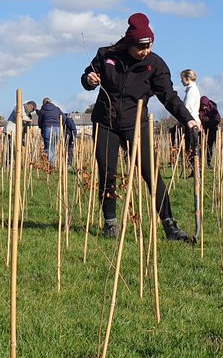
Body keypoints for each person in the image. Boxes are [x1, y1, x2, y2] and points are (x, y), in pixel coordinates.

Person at [81, 13, 200, 243]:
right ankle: (110, 224)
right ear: (129, 43)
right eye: (140, 47)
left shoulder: (154, 64)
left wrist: (188, 120)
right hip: (105, 122)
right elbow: (86, 77)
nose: (145, 51)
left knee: (150, 173)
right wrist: (89, 79)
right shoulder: (106, 55)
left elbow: (169, 97)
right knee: (107, 172)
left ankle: (169, 225)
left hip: (136, 124)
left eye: (149, 46)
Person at [180, 69, 202, 170]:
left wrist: (181, 118)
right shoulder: (192, 89)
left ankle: (194, 168)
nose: (181, 81)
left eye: (182, 79)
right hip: (193, 120)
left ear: (187, 79)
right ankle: (193, 168)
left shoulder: (192, 90)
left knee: (191, 145)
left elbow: (187, 108)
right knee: (193, 145)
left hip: (191, 121)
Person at [38, 97, 65, 168]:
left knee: (48, 147)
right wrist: (60, 125)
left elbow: (40, 121)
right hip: (57, 129)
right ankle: (51, 163)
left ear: (43, 103)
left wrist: (41, 128)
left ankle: (49, 164)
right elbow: (64, 117)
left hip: (48, 128)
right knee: (53, 146)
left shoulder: (42, 110)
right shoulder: (57, 109)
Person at [198, 95, 221, 168]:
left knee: (209, 147)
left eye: (205, 106)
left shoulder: (213, 108)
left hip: (211, 130)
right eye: (202, 106)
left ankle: (208, 162)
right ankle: (199, 162)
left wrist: (208, 122)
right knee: (200, 147)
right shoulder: (198, 109)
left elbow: (217, 119)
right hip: (201, 130)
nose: (204, 107)